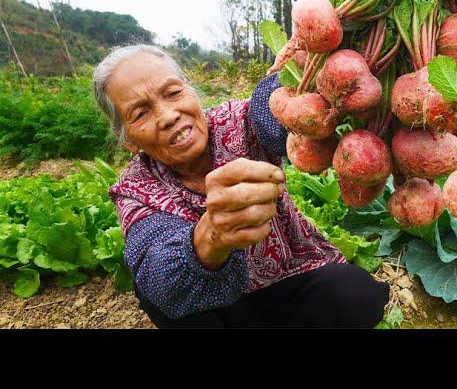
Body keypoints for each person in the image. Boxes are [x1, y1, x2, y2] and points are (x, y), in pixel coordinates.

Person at [92, 45, 390, 328]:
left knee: (357, 295)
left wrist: (308, 68)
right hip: (223, 312)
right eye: (140, 113)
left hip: (292, 282)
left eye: (173, 93)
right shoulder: (135, 189)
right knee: (157, 295)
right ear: (128, 138)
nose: (168, 116)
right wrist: (210, 237)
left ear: (191, 91)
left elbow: (271, 111)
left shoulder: (238, 121)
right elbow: (157, 267)